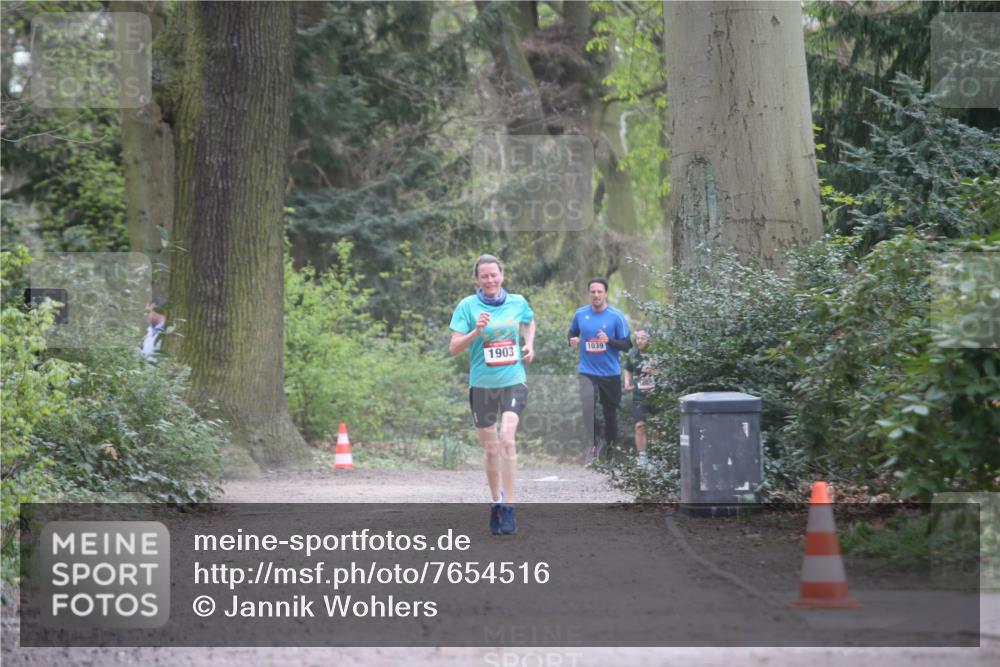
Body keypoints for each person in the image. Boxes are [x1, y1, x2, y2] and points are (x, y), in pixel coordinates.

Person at [449, 255, 535, 535]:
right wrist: (476, 331)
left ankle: (509, 506)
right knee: (490, 448)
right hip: (482, 385)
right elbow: (454, 348)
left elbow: (529, 321)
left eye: (494, 275)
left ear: (502, 275)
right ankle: (495, 502)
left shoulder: (517, 302)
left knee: (507, 439)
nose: (490, 280)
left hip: (513, 380)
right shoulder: (467, 306)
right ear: (477, 279)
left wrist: (529, 344)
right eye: (484, 276)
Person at [568, 278, 630, 464]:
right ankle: (594, 444)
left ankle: (610, 452)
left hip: (610, 373)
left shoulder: (616, 316)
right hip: (587, 371)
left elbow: (627, 345)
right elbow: (572, 333)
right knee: (588, 408)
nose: (596, 295)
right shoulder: (580, 314)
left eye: (599, 292)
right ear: (589, 293)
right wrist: (572, 340)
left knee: (610, 414)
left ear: (606, 294)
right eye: (593, 292)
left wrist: (609, 341)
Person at [623, 329, 658, 468]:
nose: (639, 341)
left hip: (657, 397)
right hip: (639, 397)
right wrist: (627, 381)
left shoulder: (657, 354)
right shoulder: (632, 355)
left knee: (657, 427)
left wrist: (654, 371)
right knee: (639, 426)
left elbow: (667, 371)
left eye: (643, 338)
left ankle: (657, 456)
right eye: (637, 338)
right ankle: (642, 457)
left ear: (649, 340)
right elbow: (627, 368)